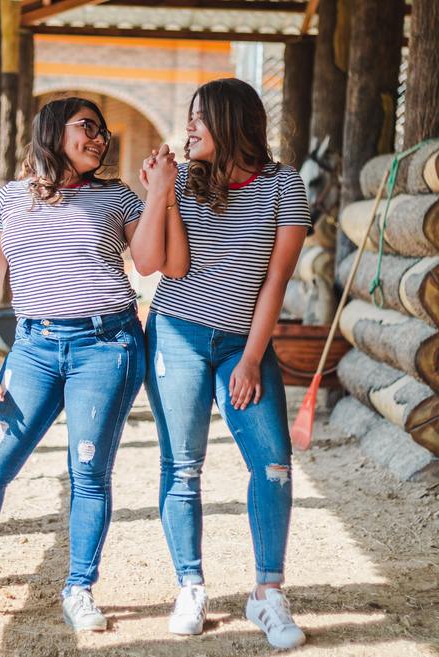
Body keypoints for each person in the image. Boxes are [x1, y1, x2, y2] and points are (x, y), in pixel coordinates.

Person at [0, 97, 188, 630]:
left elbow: (156, 265)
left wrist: (161, 194)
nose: (100, 137)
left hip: (106, 348)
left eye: (104, 131)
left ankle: (80, 588)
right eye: (87, 126)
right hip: (33, 349)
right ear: (51, 130)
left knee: (89, 472)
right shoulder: (9, 200)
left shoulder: (117, 199)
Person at [143, 78, 311, 650]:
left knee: (273, 464)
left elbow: (276, 280)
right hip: (177, 333)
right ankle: (189, 584)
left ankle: (267, 593)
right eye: (188, 118)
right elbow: (173, 268)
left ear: (231, 121)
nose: (188, 128)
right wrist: (162, 194)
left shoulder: (286, 185)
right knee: (183, 465)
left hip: (246, 342)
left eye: (199, 118)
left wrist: (252, 358)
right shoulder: (186, 183)